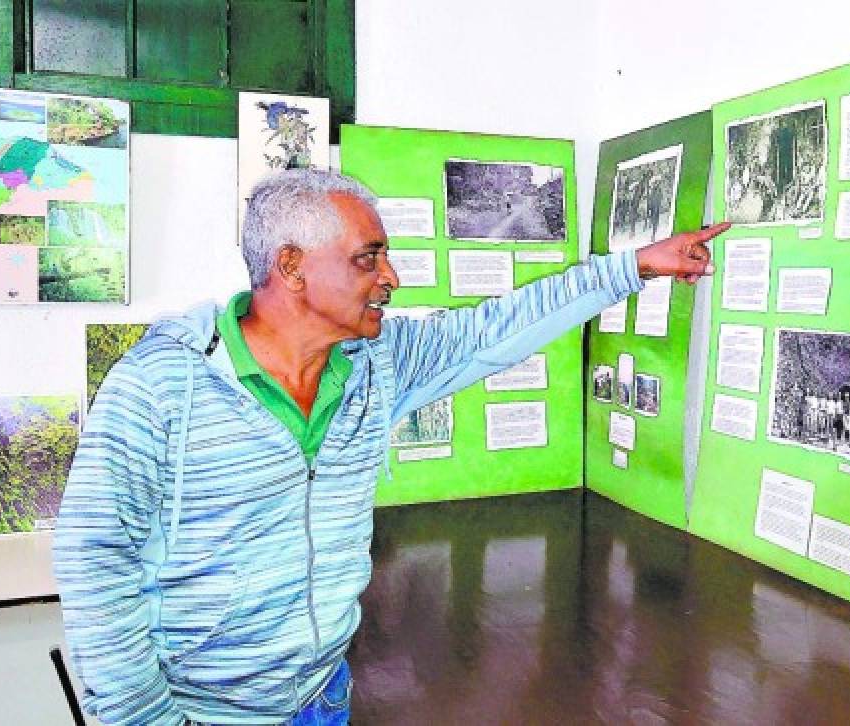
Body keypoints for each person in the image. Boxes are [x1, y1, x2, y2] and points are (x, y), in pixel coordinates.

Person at [52, 168, 728, 726]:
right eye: (367, 258)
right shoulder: (164, 387)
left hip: (323, 698)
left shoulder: (377, 361)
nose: (391, 277)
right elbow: (93, 564)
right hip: (202, 713)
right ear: (291, 267)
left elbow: (497, 329)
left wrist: (635, 267)